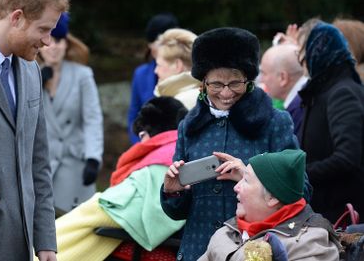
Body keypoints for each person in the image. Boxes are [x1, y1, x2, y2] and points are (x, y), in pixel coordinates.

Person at [160, 27, 312, 261]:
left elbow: (302, 193)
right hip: (196, 250)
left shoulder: (275, 122)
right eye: (216, 85)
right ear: (202, 83)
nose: (226, 93)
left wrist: (251, 177)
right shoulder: (189, 126)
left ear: (249, 81)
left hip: (255, 250)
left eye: (235, 84)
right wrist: (172, 190)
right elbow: (176, 213)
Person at [0, 0, 69, 261]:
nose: (48, 41)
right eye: (44, 29)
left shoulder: (31, 70)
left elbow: (38, 160)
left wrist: (45, 239)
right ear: (17, 17)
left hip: (23, 246)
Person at [39, 96, 188, 261]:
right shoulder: (178, 149)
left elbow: (130, 198)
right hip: (151, 220)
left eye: (142, 134)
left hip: (127, 213)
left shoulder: (163, 154)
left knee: (83, 219)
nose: (140, 141)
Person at [198, 150, 340, 261]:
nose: (236, 187)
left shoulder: (310, 246)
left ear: (272, 197)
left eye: (246, 180)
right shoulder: (226, 232)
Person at [297, 22, 364, 223]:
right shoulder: (324, 89)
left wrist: (300, 173)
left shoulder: (342, 92)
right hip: (329, 207)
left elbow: (346, 158)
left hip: (342, 211)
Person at [38, 12, 103, 212]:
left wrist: (93, 158)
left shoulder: (83, 75)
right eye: (49, 40)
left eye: (59, 40)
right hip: (42, 167)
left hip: (75, 165)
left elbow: (92, 119)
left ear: (66, 44)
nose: (54, 46)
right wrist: (37, 83)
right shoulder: (27, 74)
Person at [127, 13, 179, 143]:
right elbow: (134, 114)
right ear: (150, 45)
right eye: (159, 43)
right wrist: (140, 146)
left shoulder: (186, 73)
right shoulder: (141, 74)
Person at [260, 44, 308, 137]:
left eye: (264, 73)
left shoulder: (300, 108)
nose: (261, 80)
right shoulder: (305, 100)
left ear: (283, 78)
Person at [153, 28, 201, 109]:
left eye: (159, 65)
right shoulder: (203, 96)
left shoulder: (178, 105)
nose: (155, 71)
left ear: (177, 65)